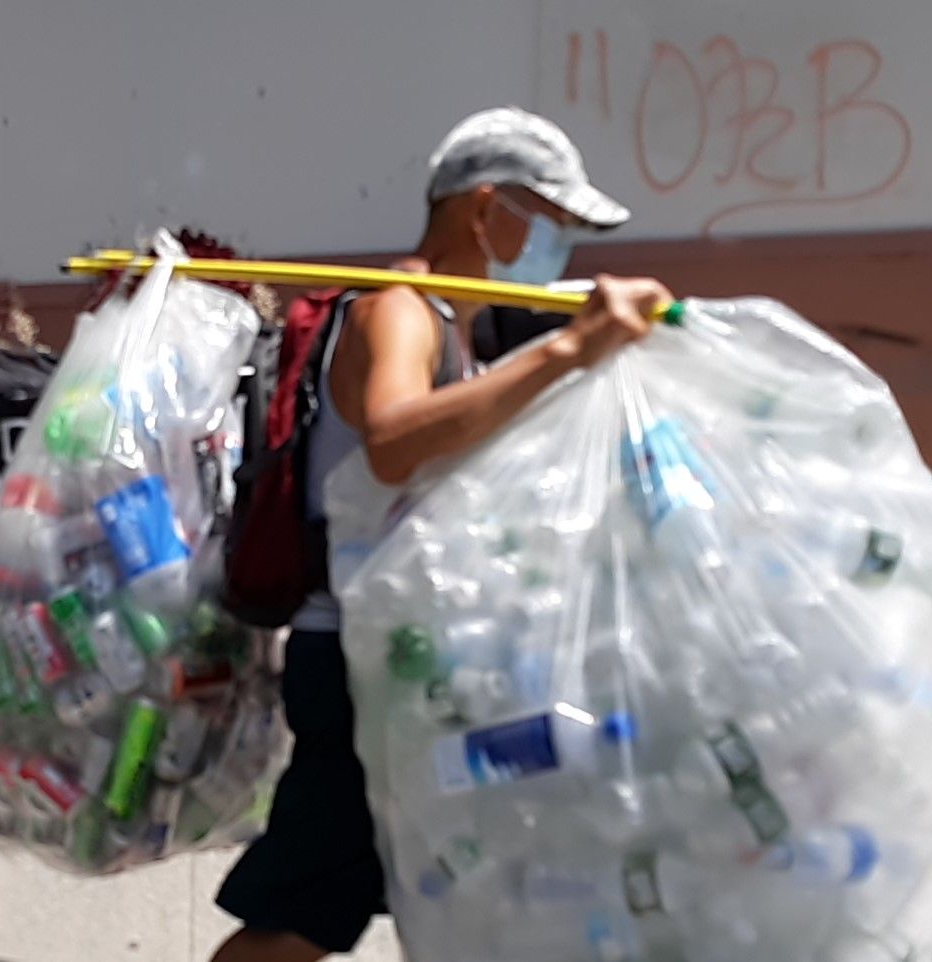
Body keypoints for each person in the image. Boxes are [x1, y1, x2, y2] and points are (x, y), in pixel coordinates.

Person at [211, 106, 674, 961]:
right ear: (485, 207)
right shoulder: (401, 312)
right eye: (553, 221)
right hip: (356, 665)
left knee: (474, 886)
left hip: (414, 660)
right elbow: (393, 438)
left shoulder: (459, 327)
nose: (561, 243)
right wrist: (567, 355)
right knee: (299, 920)